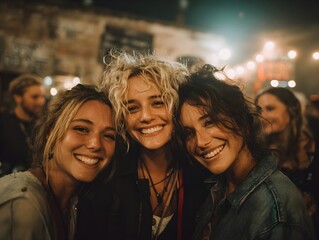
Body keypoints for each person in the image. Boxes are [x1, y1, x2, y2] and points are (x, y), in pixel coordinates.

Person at [76, 51, 209, 240]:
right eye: (132, 108)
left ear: (176, 105)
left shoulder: (202, 174)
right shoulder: (106, 177)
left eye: (158, 103)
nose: (145, 117)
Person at [175, 64, 315, 239]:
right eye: (189, 133)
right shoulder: (218, 186)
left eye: (210, 122)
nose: (200, 142)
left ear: (241, 119)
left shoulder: (275, 209)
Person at [0, 84, 118, 240]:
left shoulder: (77, 200)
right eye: (81, 129)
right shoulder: (23, 205)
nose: (95, 144)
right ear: (51, 133)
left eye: (109, 135)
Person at [255, 87, 318, 238]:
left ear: (291, 109)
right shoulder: (257, 153)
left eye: (270, 108)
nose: (262, 116)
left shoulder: (314, 146)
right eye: (258, 110)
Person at [0, 73, 46, 176]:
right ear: (17, 98)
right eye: (35, 97)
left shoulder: (43, 124)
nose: (41, 102)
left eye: (43, 97)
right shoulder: (3, 122)